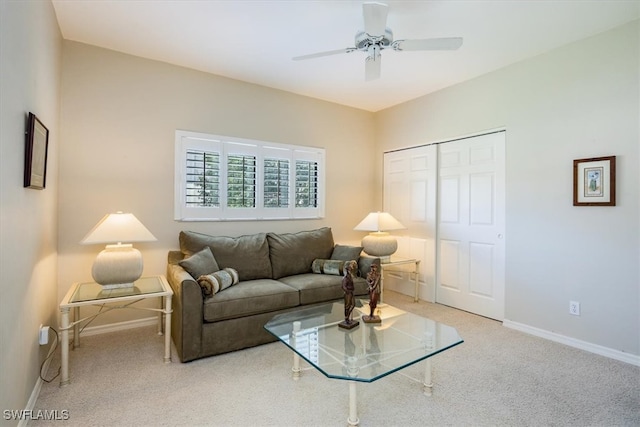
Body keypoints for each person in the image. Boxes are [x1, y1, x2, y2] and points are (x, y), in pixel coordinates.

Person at [341, 260, 358, 327]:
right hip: (348, 293)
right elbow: (343, 286)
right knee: (347, 306)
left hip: (351, 292)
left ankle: (348, 316)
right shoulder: (345, 278)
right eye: (349, 269)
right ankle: (346, 318)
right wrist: (348, 291)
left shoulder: (350, 277)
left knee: (353, 304)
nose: (350, 270)